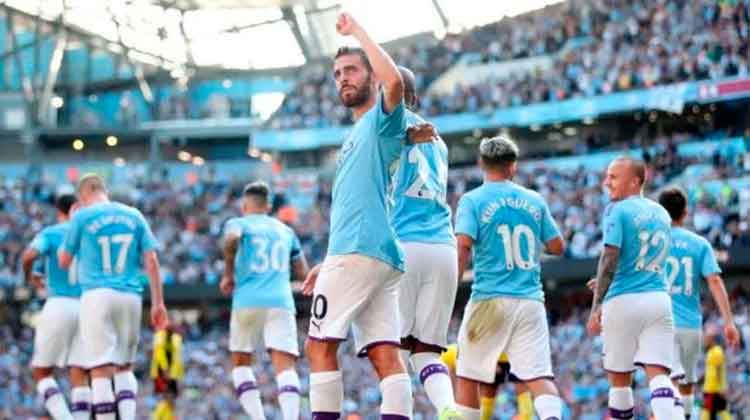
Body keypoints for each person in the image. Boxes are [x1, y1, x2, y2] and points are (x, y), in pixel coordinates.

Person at [300, 12, 432, 420]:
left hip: (358, 251)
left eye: (352, 70)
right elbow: (357, 204)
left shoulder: (380, 119)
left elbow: (394, 84)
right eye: (338, 73)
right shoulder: (362, 133)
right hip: (375, 253)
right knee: (385, 355)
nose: (343, 78)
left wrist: (357, 31)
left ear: (372, 76)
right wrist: (328, 261)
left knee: (318, 347)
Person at [453, 136, 566, 420]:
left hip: (489, 299)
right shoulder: (534, 200)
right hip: (530, 301)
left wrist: (450, 288)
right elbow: (557, 247)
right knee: (539, 377)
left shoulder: (472, 200)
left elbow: (463, 245)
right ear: (513, 166)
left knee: (468, 375)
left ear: (481, 163)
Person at [59, 173, 168, 420]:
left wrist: (72, 224)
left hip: (97, 295)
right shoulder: (134, 215)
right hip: (130, 296)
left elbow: (64, 261)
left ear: (82, 196)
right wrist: (158, 303)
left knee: (100, 368)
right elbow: (152, 261)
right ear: (103, 190)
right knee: (124, 366)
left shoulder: (82, 216)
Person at [390, 65, 460, 419]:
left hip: (404, 243)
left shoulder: (384, 129)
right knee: (428, 350)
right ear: (415, 98)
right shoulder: (439, 141)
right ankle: (447, 407)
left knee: (394, 350)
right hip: (443, 246)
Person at [587, 157, 675, 420]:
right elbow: (645, 259)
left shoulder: (617, 210)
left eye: (613, 177)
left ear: (635, 181)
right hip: (658, 299)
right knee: (659, 376)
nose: (606, 182)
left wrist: (596, 305)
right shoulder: (662, 213)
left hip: (623, 301)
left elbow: (610, 256)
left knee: (620, 381)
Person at [220, 181, 309, 420]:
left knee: (241, 363)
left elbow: (231, 239)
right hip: (281, 301)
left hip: (247, 300)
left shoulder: (238, 223)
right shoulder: (286, 231)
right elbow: (303, 271)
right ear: (268, 206)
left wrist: (228, 274)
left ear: (244, 205)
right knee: (285, 366)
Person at [657, 187, 740, 419]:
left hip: (659, 323)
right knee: (686, 384)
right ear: (685, 213)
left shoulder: (652, 243)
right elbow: (714, 280)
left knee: (664, 381)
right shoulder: (699, 244)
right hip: (689, 324)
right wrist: (729, 322)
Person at [21, 194, 91, 420]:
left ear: (59, 211)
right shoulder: (89, 235)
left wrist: (30, 276)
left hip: (59, 303)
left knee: (41, 371)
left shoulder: (51, 233)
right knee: (79, 372)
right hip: (87, 306)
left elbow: (29, 255)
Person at [440, 344, 533, 420]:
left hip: (494, 353)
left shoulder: (449, 355)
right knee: (490, 392)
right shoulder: (450, 355)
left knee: (490, 392)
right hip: (502, 352)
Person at [150, 325, 184, 420]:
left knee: (170, 398)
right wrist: (165, 369)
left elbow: (177, 357)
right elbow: (159, 353)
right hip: (162, 373)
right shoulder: (160, 338)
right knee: (164, 397)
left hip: (171, 373)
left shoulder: (176, 339)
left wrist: (179, 375)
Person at [700, 327, 731, 420]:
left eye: (706, 338)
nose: (704, 341)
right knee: (721, 410)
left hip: (713, 389)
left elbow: (719, 370)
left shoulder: (717, 351)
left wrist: (721, 388)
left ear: (711, 339)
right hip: (710, 387)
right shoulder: (711, 351)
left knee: (708, 410)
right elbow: (710, 370)